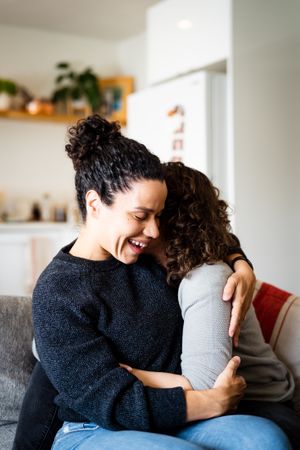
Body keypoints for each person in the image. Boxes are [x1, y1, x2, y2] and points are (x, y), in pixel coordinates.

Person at [13, 115, 290, 450]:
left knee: (264, 440)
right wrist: (211, 402)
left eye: (159, 215)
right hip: (95, 427)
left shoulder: (143, 254)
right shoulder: (59, 291)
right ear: (94, 204)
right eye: (141, 216)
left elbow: (202, 231)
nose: (155, 230)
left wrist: (240, 263)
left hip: (172, 417)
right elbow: (110, 402)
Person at [124, 162, 300, 449]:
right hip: (212, 400)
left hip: (258, 404)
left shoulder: (206, 278)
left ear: (170, 220)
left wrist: (125, 374)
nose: (141, 223)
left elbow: (209, 388)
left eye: (151, 212)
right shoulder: (151, 267)